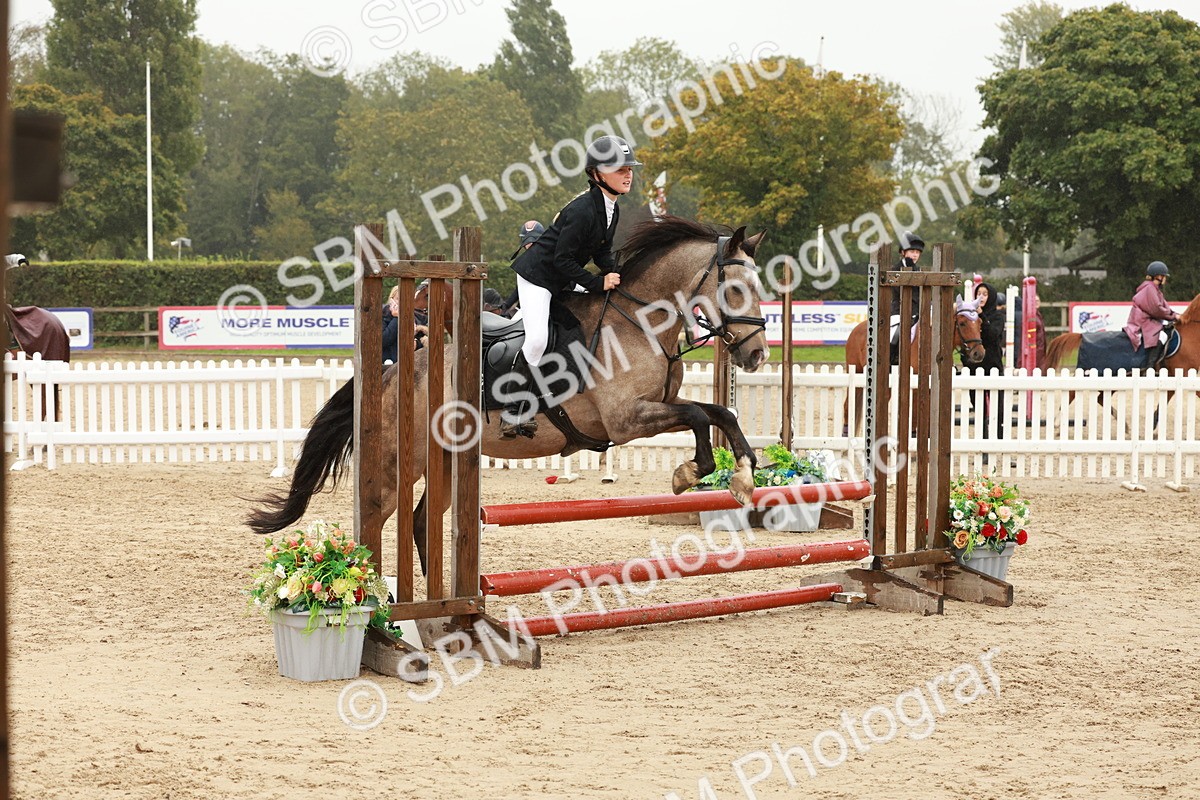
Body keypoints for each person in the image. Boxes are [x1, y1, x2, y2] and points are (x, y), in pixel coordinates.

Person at [500, 135, 634, 438]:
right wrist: (598, 283)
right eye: (619, 168)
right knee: (536, 340)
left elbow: (600, 252)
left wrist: (617, 272)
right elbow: (562, 260)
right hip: (538, 277)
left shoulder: (611, 208)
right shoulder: (583, 209)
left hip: (558, 278)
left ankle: (547, 400)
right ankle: (511, 412)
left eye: (629, 168)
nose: (628, 173)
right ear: (597, 173)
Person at [969, 281, 1006, 443]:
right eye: (978, 294)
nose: (981, 297)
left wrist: (982, 315)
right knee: (978, 408)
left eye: (984, 294)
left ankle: (999, 440)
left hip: (992, 365)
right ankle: (982, 440)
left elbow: (992, 336)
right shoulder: (970, 315)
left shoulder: (997, 316)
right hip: (974, 367)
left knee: (997, 408)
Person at [1123, 260, 1178, 369]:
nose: (1165, 279)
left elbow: (1165, 307)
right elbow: (1156, 309)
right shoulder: (1149, 288)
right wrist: (1174, 316)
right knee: (1161, 335)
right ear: (1158, 276)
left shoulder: (1155, 290)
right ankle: (1150, 367)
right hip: (1143, 322)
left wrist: (1175, 315)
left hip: (1149, 321)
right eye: (1164, 276)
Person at [888, 230, 925, 364]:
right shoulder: (895, 269)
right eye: (912, 251)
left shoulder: (919, 270)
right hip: (900, 310)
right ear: (903, 252)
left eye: (917, 252)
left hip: (919, 310)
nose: (915, 255)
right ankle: (891, 359)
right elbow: (900, 291)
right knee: (895, 333)